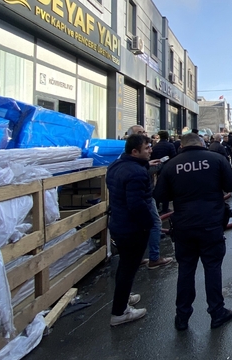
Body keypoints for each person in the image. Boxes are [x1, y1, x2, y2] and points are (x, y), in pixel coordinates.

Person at [154, 132, 232, 331]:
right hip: (211, 223)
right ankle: (217, 312)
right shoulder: (216, 159)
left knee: (185, 270)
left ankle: (182, 317)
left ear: (181, 146)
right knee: (212, 268)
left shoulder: (171, 165)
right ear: (202, 143)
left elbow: (160, 195)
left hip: (184, 226)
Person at [106, 134, 153, 326]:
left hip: (118, 223)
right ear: (134, 151)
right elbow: (136, 204)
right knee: (128, 268)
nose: (150, 150)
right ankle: (120, 312)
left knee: (125, 265)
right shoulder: (136, 172)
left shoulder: (115, 166)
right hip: (132, 228)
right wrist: (148, 223)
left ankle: (123, 297)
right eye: (146, 148)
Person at [128, 125, 173, 267]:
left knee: (140, 226)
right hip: (143, 198)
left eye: (144, 132)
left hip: (143, 196)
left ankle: (137, 257)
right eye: (139, 133)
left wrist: (147, 164)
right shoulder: (136, 170)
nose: (143, 134)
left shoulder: (133, 162)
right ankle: (154, 257)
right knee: (154, 223)